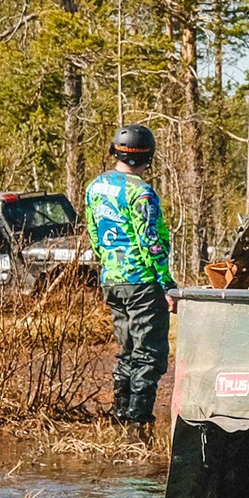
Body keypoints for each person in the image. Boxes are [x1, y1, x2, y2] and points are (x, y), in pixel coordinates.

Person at [84, 125, 174, 426]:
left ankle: (120, 415)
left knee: (127, 351)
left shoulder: (95, 188)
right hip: (142, 282)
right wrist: (167, 284)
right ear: (149, 156)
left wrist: (109, 265)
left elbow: (94, 235)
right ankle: (138, 423)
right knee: (149, 354)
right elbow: (151, 242)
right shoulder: (141, 193)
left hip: (112, 279)